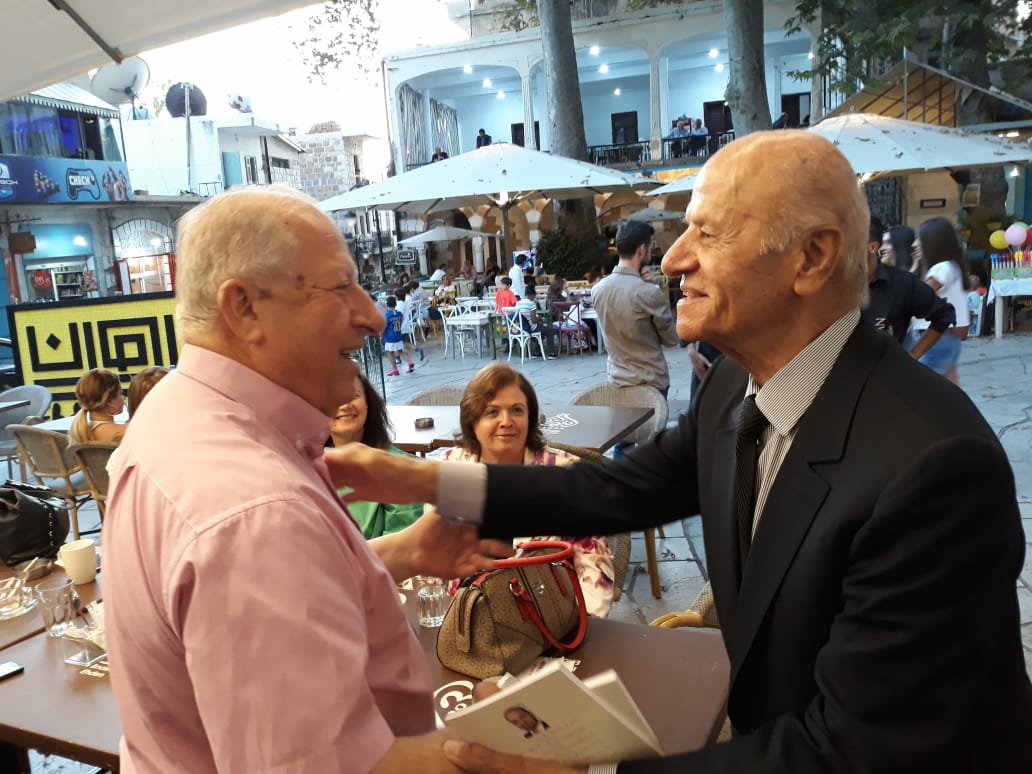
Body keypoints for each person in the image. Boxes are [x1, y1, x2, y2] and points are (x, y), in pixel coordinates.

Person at [329, 131, 1032, 773]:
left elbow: (853, 751)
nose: (672, 258)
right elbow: (614, 490)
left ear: (812, 257)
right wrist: (421, 481)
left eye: (708, 232)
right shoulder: (732, 385)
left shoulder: (935, 471)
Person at [104, 184, 513, 773]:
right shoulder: (257, 509)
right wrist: (517, 748)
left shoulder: (173, 413)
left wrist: (401, 552)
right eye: (341, 287)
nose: (373, 316)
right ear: (243, 307)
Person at [429, 363, 613, 616]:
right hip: (463, 617)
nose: (506, 422)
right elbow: (430, 557)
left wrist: (579, 624)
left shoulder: (564, 474)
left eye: (516, 410)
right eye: (492, 412)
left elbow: (595, 562)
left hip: (546, 616)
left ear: (530, 417)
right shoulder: (448, 470)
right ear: (472, 421)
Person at [591, 221, 679, 397]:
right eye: (650, 246)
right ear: (642, 250)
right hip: (650, 380)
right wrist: (656, 290)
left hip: (617, 378)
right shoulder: (648, 293)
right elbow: (670, 339)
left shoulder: (598, 290)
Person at [329, 374, 423, 538]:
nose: (344, 405)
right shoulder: (305, 466)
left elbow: (401, 545)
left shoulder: (398, 469)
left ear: (368, 404)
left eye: (354, 395)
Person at [864, 215, 955, 358]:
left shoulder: (902, 283)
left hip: (886, 369)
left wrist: (914, 354)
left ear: (872, 247)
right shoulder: (831, 284)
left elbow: (944, 314)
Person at [910, 217, 971, 384]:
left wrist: (913, 268)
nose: (914, 244)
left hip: (937, 339)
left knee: (921, 387)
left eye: (919, 239)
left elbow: (918, 296)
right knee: (950, 389)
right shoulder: (951, 266)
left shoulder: (942, 268)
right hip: (948, 339)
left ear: (933, 242)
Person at [69, 368, 125, 444]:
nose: (123, 398)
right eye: (120, 393)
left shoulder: (80, 432)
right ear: (109, 401)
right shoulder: (125, 431)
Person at [514, 287, 559, 359]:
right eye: (534, 296)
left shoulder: (518, 303)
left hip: (522, 328)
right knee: (550, 331)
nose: (534, 298)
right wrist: (541, 320)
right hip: (531, 328)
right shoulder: (531, 304)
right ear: (532, 295)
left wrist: (539, 320)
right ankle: (551, 353)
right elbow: (534, 320)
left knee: (542, 330)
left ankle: (537, 352)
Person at [382, 295, 416, 376]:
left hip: (390, 337)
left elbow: (384, 326)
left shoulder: (387, 315)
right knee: (400, 351)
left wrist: (381, 334)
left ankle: (395, 369)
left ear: (387, 304)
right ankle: (410, 362)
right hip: (398, 335)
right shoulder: (399, 314)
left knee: (390, 352)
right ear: (395, 304)